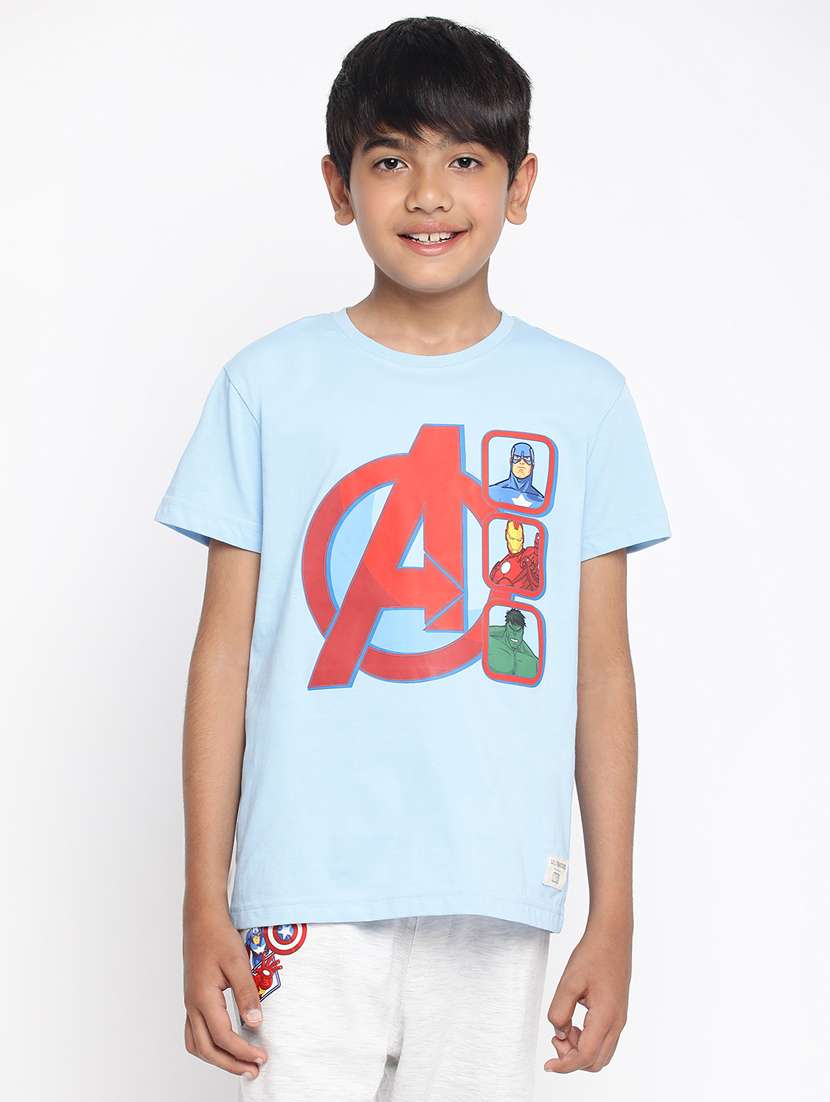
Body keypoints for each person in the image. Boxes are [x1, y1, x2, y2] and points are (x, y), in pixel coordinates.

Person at [154, 15, 671, 1101]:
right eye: (391, 160)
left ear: (520, 185)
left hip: (495, 882)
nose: (429, 195)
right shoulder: (267, 386)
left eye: (465, 161)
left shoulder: (582, 400)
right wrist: (203, 895)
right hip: (305, 878)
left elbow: (600, 670)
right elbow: (223, 655)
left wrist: (614, 911)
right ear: (339, 187)